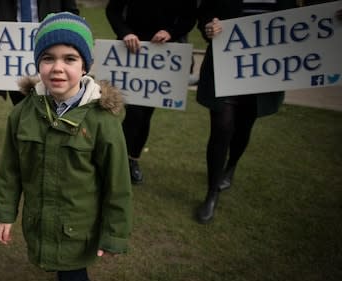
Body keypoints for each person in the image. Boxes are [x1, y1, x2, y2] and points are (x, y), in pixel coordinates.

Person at [0, 12, 133, 281]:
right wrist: (6, 212)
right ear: (37, 64)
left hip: (78, 227)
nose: (57, 68)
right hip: (40, 220)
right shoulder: (22, 114)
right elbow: (10, 170)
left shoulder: (102, 121)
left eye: (69, 58)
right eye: (48, 58)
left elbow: (117, 184)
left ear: (84, 66)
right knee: (62, 269)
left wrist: (115, 232)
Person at [195, 0, 298, 224]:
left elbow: (300, 21)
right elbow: (205, 13)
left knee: (244, 125)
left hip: (263, 68)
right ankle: (212, 193)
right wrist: (209, 27)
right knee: (222, 126)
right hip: (225, 64)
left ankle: (230, 166)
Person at [106, 0, 197, 184]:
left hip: (162, 56)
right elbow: (113, 10)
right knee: (134, 113)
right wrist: (125, 32)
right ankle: (117, 163)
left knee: (145, 115)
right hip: (129, 53)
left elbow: (189, 17)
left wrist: (170, 32)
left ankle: (132, 160)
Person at [0, 0, 79, 106]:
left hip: (50, 48)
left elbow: (72, 14)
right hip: (13, 57)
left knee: (52, 107)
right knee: (22, 110)